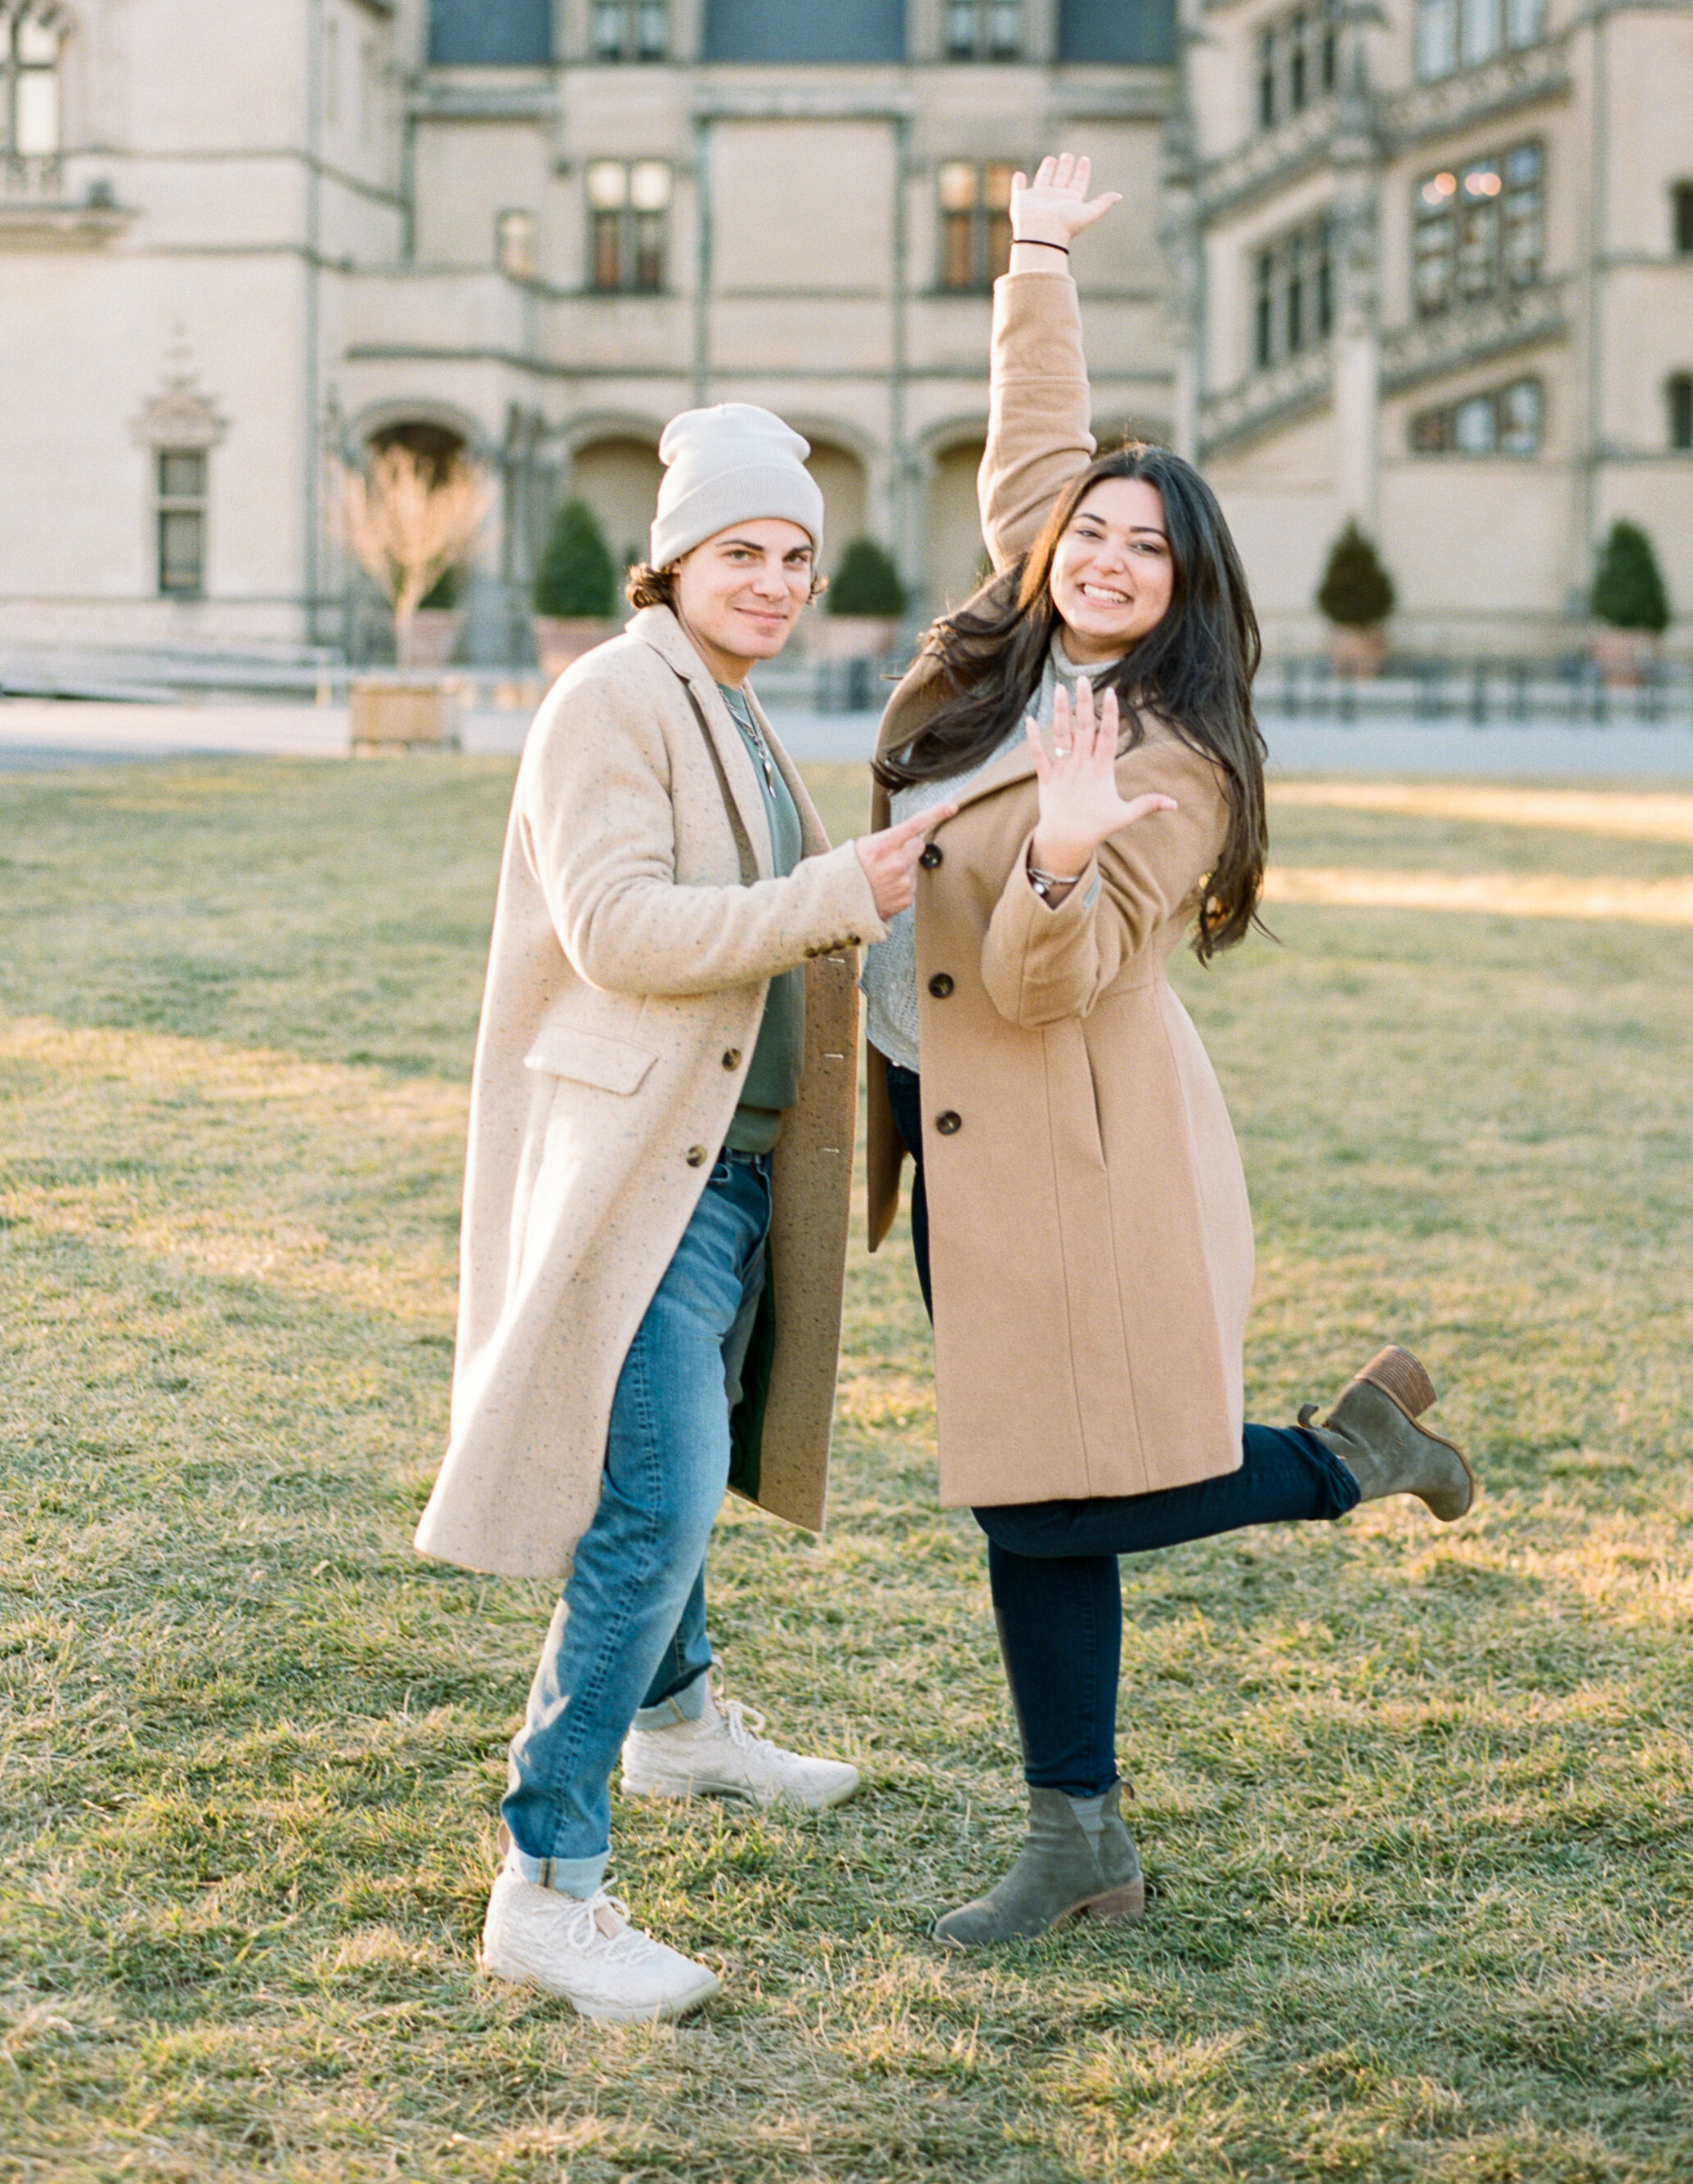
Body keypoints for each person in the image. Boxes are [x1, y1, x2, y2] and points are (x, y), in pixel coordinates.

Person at [864, 155, 1476, 1946]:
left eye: (1148, 547)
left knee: (1042, 1497)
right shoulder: (1009, 633)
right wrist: (1035, 254)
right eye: (1094, 532)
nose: (1108, 556)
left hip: (1075, 1141)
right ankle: (1085, 1843)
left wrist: (1057, 845)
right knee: (1026, 1483)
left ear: (1184, 587)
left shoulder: (1174, 764)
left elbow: (1055, 984)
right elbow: (1032, 432)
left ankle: (1340, 1465)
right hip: (951, 1123)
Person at [415, 401, 951, 2022]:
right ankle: (547, 1889)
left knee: (678, 1470)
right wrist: (833, 894)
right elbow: (615, 927)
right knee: (652, 1500)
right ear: (671, 561)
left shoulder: (722, 705)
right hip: (643, 1179)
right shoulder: (611, 696)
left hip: (726, 1171)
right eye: (744, 551)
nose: (778, 579)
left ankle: (678, 1731)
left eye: (796, 554)